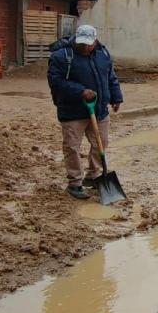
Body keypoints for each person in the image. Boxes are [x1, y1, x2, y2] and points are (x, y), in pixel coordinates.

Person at [47, 24, 124, 199]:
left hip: (98, 109)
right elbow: (55, 81)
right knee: (72, 147)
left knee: (101, 143)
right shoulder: (62, 56)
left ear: (95, 40)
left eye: (89, 44)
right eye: (82, 44)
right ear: (77, 39)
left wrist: (116, 97)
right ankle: (75, 182)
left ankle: (94, 175)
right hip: (72, 110)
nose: (86, 47)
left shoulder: (103, 54)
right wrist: (81, 91)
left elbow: (110, 77)